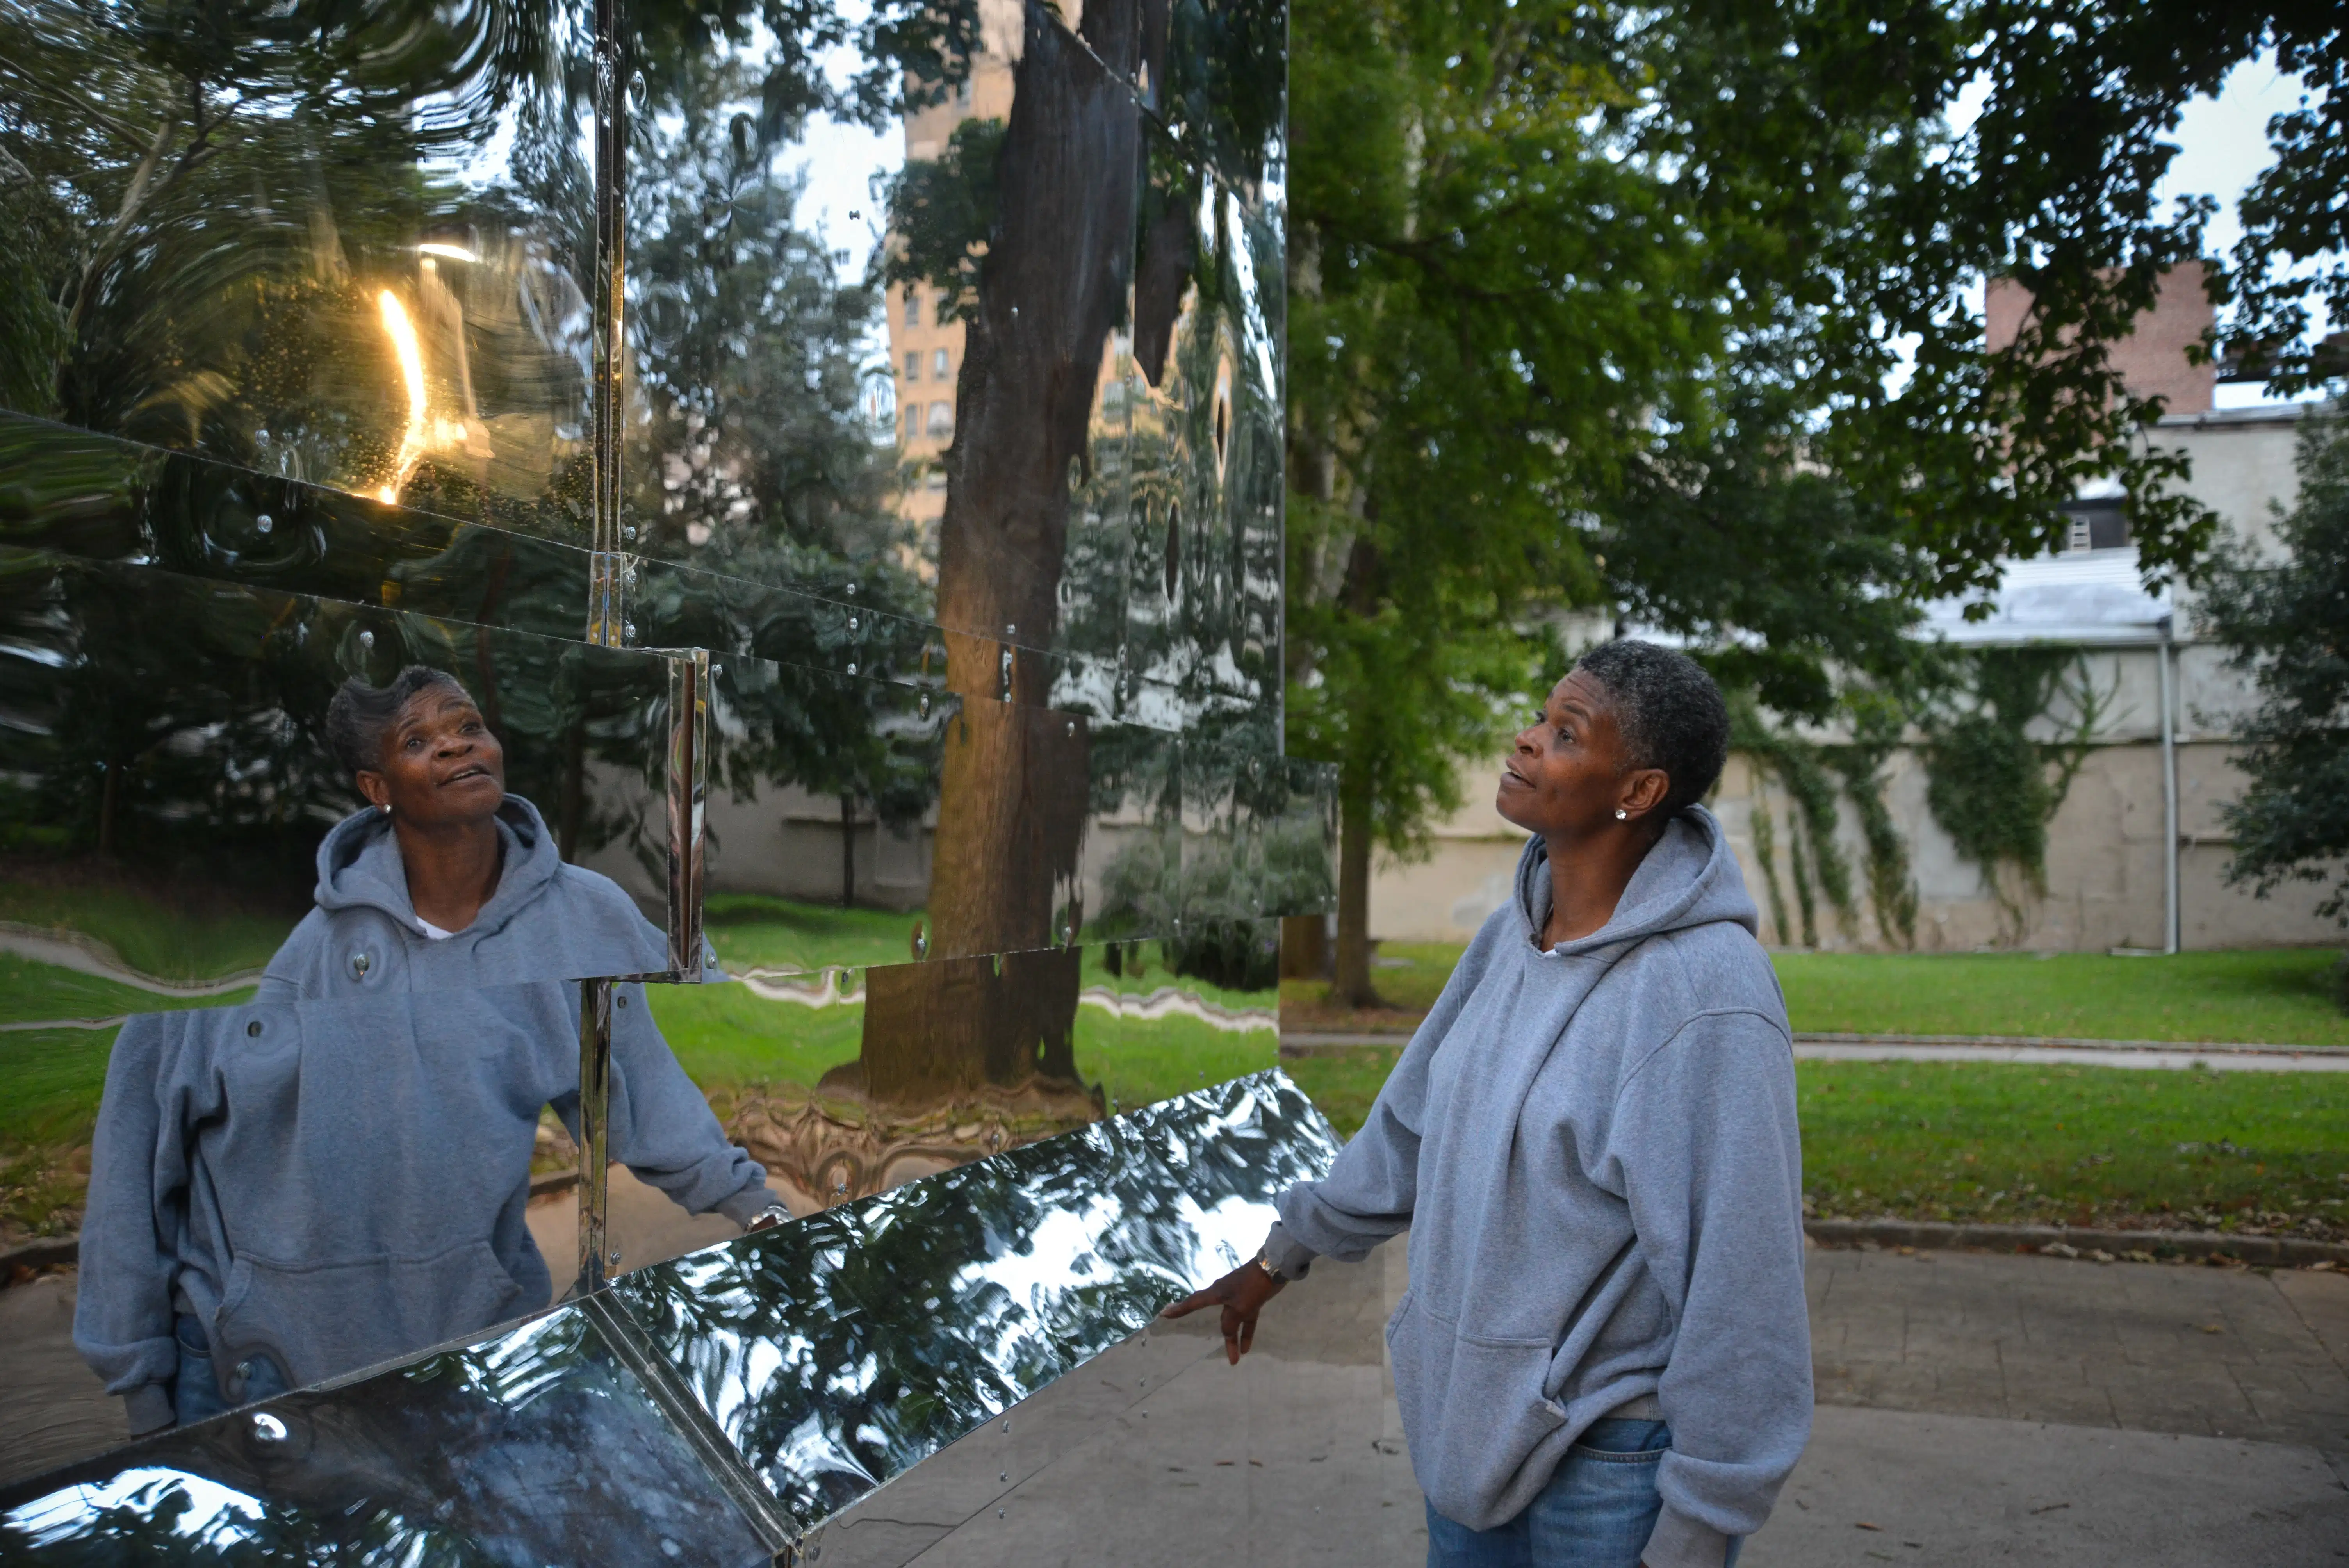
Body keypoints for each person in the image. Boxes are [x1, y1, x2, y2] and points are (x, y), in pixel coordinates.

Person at [1165, 640, 1809, 1568]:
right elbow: (1411, 1123)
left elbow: (1741, 1277)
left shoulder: (1706, 994)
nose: (1524, 739)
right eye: (1539, 717)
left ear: (1637, 789)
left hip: (1609, 1469)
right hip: (1464, 1436)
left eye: (1562, 733)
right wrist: (1280, 1254)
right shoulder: (1517, 932)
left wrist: (1702, 1525)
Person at [75, 666, 785, 1435]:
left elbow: (644, 1094)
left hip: (470, 1361)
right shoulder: (250, 950)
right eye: (419, 740)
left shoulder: (580, 919)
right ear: (377, 787)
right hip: (249, 1374)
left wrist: (764, 1212)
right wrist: (142, 1388)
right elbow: (135, 1158)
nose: (456, 746)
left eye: (468, 725)